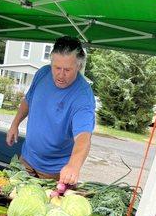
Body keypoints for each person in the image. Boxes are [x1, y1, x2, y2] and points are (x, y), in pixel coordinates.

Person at [6, 36, 95, 185]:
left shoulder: (83, 96)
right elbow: (28, 101)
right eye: (57, 67)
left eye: (67, 70)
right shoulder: (43, 73)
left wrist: (73, 165)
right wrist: (14, 124)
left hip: (53, 172)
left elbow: (83, 137)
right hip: (26, 159)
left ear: (78, 67)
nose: (60, 75)